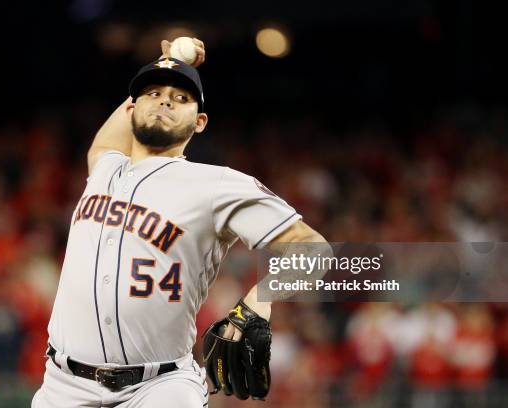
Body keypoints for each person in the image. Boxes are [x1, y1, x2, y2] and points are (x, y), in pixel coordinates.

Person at [32, 38, 326, 407]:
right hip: (64, 386)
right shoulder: (106, 167)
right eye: (154, 93)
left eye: (181, 97)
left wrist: (257, 303)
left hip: (160, 388)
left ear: (200, 122)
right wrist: (171, 61)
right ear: (133, 107)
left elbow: (312, 249)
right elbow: (111, 135)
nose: (165, 100)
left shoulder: (217, 184)